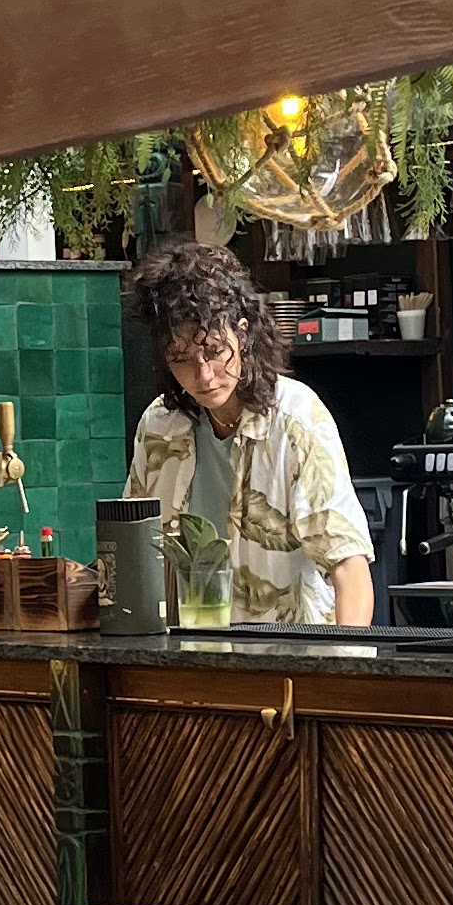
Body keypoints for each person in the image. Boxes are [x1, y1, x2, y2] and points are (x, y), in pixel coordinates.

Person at [125, 236, 376, 628]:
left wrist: (344, 661)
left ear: (242, 334)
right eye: (182, 359)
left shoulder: (295, 418)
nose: (204, 375)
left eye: (215, 352)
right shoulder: (159, 426)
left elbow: (348, 566)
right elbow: (134, 554)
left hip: (293, 651)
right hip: (189, 654)